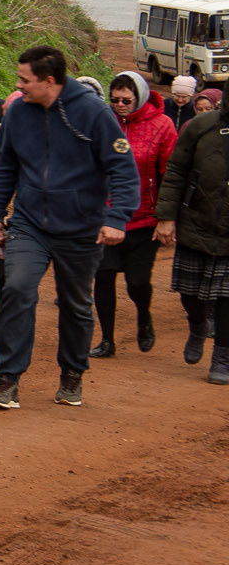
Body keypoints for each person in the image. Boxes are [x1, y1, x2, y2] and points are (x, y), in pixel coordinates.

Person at [0, 46, 139, 410]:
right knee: (18, 289)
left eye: (25, 80)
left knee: (75, 304)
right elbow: (4, 166)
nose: (18, 87)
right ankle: (7, 379)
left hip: (82, 228)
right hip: (30, 222)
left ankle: (72, 374)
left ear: (49, 81)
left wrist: (116, 219)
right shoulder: (19, 113)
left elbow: (123, 171)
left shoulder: (94, 113)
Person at [91, 71, 178, 358]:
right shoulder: (103, 123)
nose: (119, 105)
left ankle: (144, 316)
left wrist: (167, 216)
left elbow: (170, 174)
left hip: (145, 218)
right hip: (106, 217)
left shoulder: (162, 125)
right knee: (103, 275)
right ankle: (107, 339)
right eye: (114, 100)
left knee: (137, 281)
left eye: (126, 100)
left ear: (138, 97)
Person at [158, 104, 229, 382]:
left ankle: (222, 358)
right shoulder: (203, 125)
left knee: (226, 298)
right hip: (196, 219)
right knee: (189, 292)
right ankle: (198, 324)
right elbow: (175, 169)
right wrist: (166, 216)